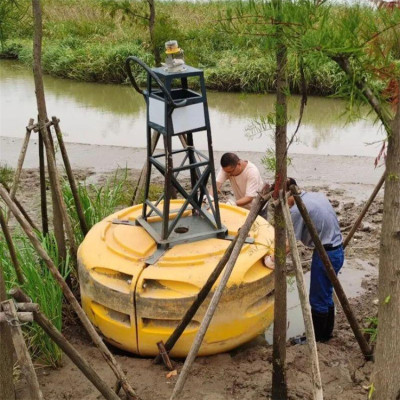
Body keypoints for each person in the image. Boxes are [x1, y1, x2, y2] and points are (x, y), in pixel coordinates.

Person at [287, 178, 344, 342]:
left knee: (318, 298)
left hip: (325, 254)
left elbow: (289, 242)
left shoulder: (297, 210)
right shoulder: (316, 196)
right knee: (326, 294)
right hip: (337, 250)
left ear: (287, 194)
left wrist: (271, 256)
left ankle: (316, 339)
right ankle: (326, 334)